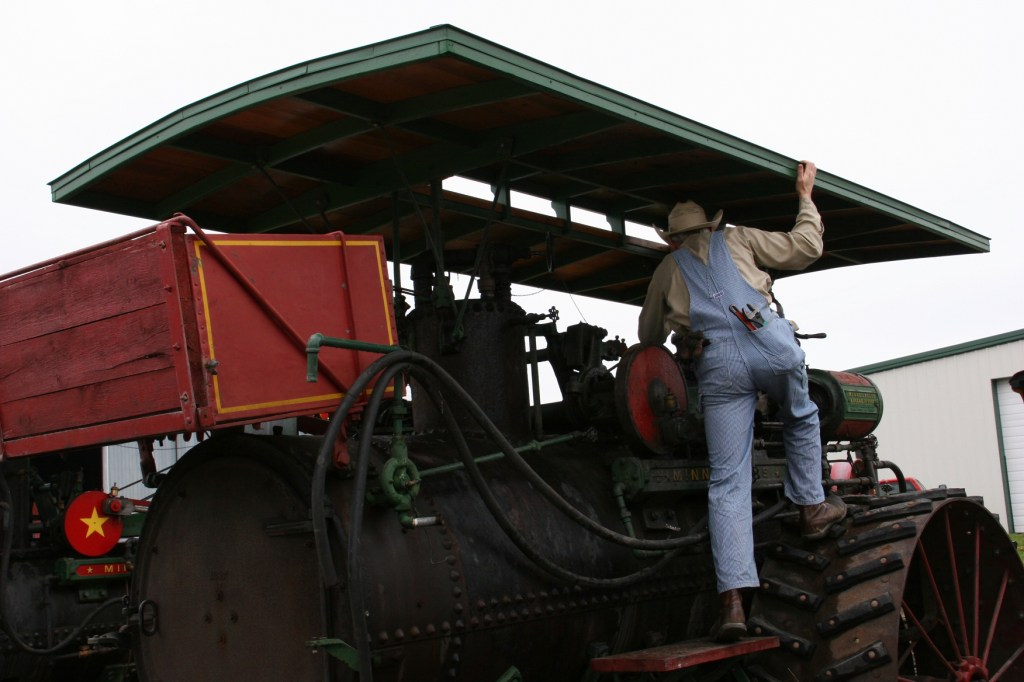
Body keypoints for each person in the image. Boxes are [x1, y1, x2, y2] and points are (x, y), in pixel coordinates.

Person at [637, 160, 846, 642]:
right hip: (770, 343)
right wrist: (805, 196)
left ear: (672, 239)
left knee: (727, 482)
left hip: (718, 366)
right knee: (801, 415)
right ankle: (811, 508)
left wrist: (676, 327)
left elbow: (648, 336)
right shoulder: (738, 239)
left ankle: (732, 603)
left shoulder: (668, 268)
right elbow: (807, 247)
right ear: (712, 225)